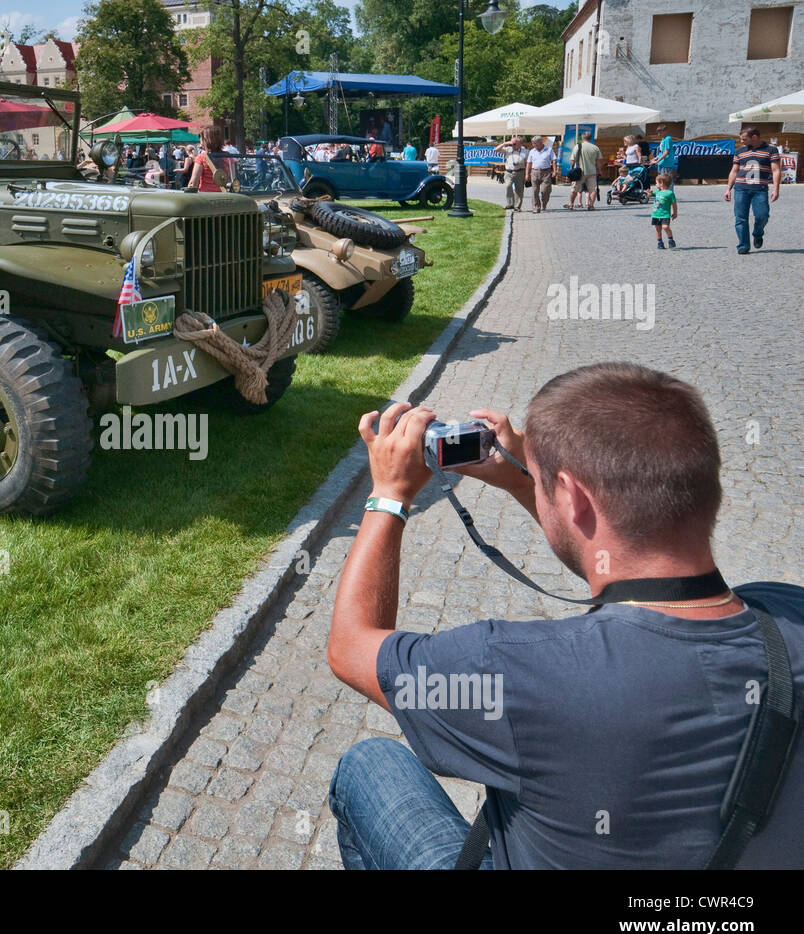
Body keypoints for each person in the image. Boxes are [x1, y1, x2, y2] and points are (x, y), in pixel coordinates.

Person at [326, 363, 804, 869]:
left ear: (574, 498)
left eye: (547, 486)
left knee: (370, 765)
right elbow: (645, 588)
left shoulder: (521, 671)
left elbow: (351, 645)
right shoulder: (788, 613)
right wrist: (521, 478)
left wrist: (389, 496)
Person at [724, 126, 781, 255]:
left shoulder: (771, 150)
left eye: (744, 139)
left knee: (763, 216)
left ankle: (758, 233)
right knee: (740, 218)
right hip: (740, 189)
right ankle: (743, 246)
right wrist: (728, 188)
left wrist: (776, 189)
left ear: (754, 137)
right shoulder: (739, 151)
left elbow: (776, 170)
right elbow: (734, 171)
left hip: (760, 189)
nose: (742, 141)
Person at [564, 132, 603, 211]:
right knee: (593, 189)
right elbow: (598, 161)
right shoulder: (595, 148)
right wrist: (599, 170)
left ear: (582, 138)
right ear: (590, 138)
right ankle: (591, 205)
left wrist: (571, 170)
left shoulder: (577, 147)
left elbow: (572, 160)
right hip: (592, 171)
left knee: (575, 189)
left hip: (579, 172)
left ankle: (571, 204)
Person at [186, 126, 226, 192]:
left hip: (206, 197)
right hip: (226, 195)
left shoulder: (201, 157)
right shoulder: (228, 157)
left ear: (206, 140)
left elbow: (193, 183)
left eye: (201, 137)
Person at [496, 135, 528, 211]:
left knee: (519, 189)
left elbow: (528, 163)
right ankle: (510, 204)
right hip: (508, 172)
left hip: (520, 172)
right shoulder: (508, 149)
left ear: (520, 144)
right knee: (508, 186)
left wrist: (527, 174)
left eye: (514, 143)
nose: (512, 145)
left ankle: (517, 206)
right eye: (511, 143)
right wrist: (504, 144)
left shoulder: (525, 151)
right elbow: (496, 150)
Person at [526, 136, 557, 213]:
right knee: (535, 190)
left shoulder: (549, 150)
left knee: (545, 190)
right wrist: (527, 174)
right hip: (534, 172)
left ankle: (544, 203)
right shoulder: (532, 151)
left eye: (535, 143)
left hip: (546, 172)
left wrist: (555, 171)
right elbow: (529, 163)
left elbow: (554, 160)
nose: (534, 145)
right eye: (533, 143)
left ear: (541, 142)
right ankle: (536, 207)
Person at [651, 171, 678, 249]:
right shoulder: (657, 192)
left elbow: (674, 204)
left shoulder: (670, 193)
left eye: (656, 183)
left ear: (661, 183)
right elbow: (651, 195)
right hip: (656, 214)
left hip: (665, 214)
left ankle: (670, 240)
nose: (655, 184)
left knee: (665, 227)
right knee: (658, 229)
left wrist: (675, 213)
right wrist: (649, 193)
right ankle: (660, 242)